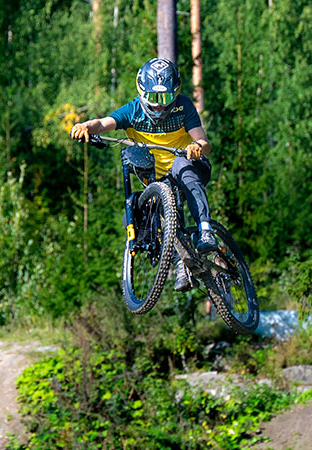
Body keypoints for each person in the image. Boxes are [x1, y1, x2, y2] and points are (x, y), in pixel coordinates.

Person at [70, 57, 215, 292]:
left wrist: (197, 147)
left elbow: (204, 142)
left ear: (175, 93)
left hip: (191, 167)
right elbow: (102, 123)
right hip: (158, 180)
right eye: (153, 98)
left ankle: (206, 231)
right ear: (141, 92)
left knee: (180, 166)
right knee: (152, 210)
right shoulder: (133, 110)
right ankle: (182, 262)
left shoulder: (184, 107)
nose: (159, 105)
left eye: (166, 98)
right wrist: (86, 126)